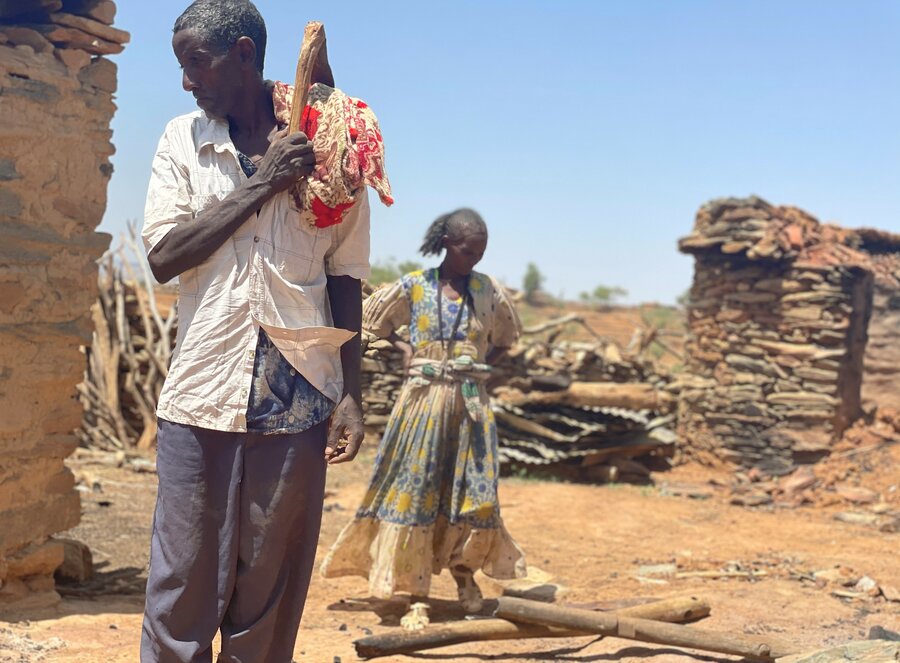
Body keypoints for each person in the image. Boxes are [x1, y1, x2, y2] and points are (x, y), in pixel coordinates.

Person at [140, 1, 372, 660]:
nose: (187, 81)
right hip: (202, 394)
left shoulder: (331, 147)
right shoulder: (183, 142)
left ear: (243, 55)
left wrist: (351, 391)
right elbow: (163, 255)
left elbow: (346, 275)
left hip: (297, 398)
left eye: (196, 63)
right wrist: (264, 184)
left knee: (267, 594)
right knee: (181, 584)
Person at [321, 208, 526, 629]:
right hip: (421, 408)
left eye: (482, 251)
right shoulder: (414, 287)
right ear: (448, 244)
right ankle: (416, 594)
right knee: (416, 492)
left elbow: (507, 339)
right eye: (470, 250)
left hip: (471, 409)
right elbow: (372, 321)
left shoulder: (489, 292)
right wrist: (404, 348)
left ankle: (465, 579)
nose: (477, 259)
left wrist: (479, 365)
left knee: (471, 495)